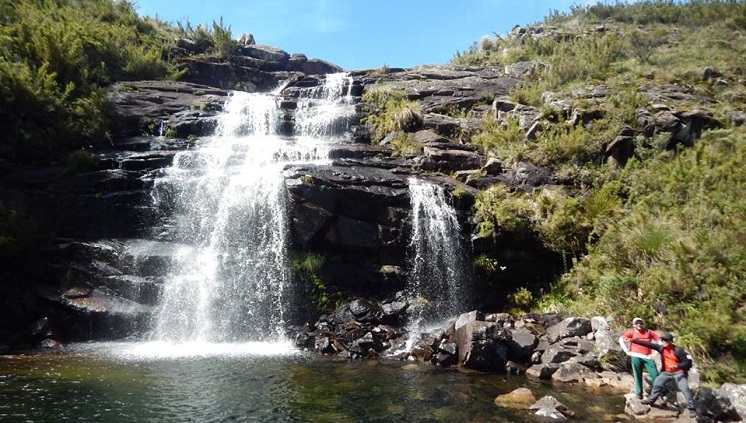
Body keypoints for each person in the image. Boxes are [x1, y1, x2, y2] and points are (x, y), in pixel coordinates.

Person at [632, 333, 696, 418]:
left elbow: (686, 362)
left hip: (678, 372)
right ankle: (651, 400)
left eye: (665, 340)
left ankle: (691, 409)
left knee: (685, 389)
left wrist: (677, 366)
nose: (663, 342)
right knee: (657, 384)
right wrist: (634, 340)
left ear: (670, 341)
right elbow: (649, 344)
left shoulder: (678, 350)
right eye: (662, 340)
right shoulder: (661, 348)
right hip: (666, 372)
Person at [619, 317, 660, 399]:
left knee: (655, 375)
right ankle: (639, 393)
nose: (639, 325)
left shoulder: (649, 332)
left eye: (640, 323)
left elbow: (660, 340)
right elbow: (621, 339)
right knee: (637, 375)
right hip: (635, 356)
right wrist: (626, 350)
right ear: (633, 325)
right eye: (637, 323)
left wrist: (655, 352)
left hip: (648, 357)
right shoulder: (631, 332)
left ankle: (658, 393)